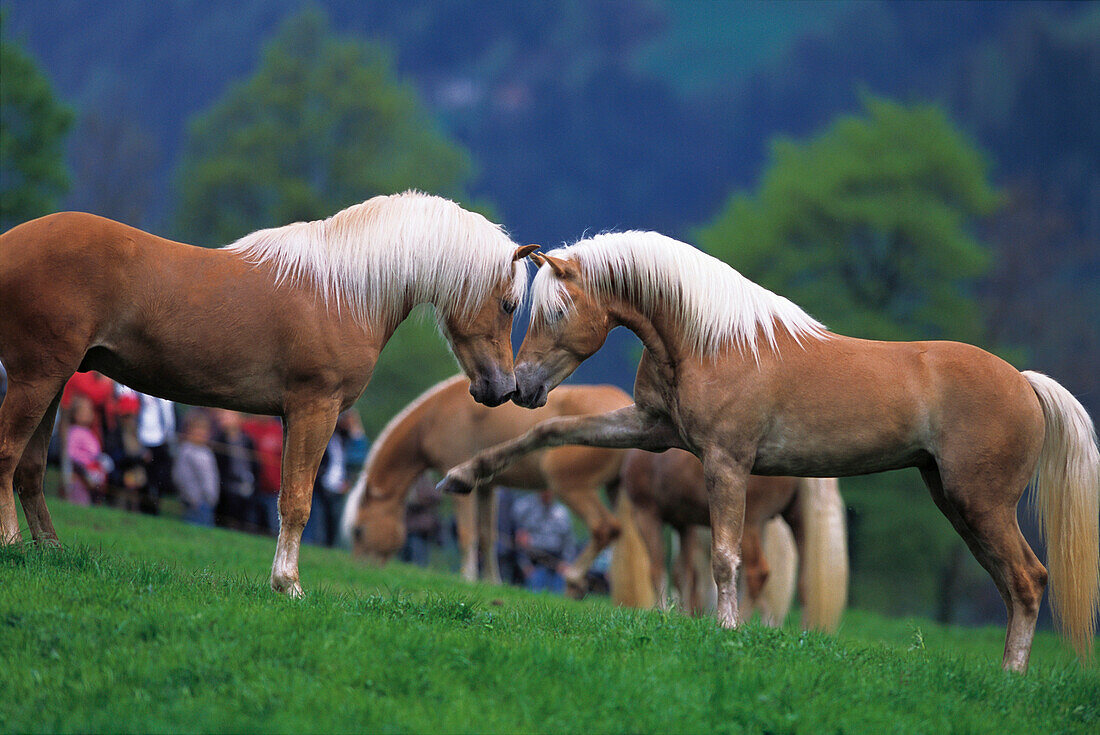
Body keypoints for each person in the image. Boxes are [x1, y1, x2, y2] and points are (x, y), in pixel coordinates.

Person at [512, 490, 578, 594]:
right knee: (535, 587)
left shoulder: (562, 513)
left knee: (559, 591)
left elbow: (569, 542)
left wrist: (567, 563)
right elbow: (519, 541)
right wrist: (524, 565)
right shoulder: (524, 509)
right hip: (534, 561)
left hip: (557, 562)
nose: (547, 493)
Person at [211, 409, 258, 532]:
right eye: (222, 416)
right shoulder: (218, 440)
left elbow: (255, 464)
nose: (224, 419)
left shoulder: (248, 440)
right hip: (227, 490)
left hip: (248, 488)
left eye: (228, 416)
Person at [172, 410, 219, 527]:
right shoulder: (186, 451)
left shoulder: (207, 452)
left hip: (208, 502)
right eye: (197, 429)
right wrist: (193, 498)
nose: (201, 433)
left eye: (204, 430)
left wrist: (212, 496)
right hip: (194, 503)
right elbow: (180, 476)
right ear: (188, 431)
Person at [64, 395, 109, 506]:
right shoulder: (74, 432)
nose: (89, 413)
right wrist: (86, 463)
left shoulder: (89, 432)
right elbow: (71, 453)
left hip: (93, 473)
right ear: (75, 414)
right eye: (85, 410)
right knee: (81, 501)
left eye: (90, 410)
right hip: (80, 475)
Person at [243, 415, 283, 535]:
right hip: (252, 487)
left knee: (273, 529)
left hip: (273, 490)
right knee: (250, 527)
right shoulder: (247, 427)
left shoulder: (279, 430)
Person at [401, 474, 442, 566]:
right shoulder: (408, 478)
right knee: (407, 561)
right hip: (409, 529)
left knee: (418, 562)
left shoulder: (425, 478)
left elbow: (436, 496)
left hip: (420, 530)